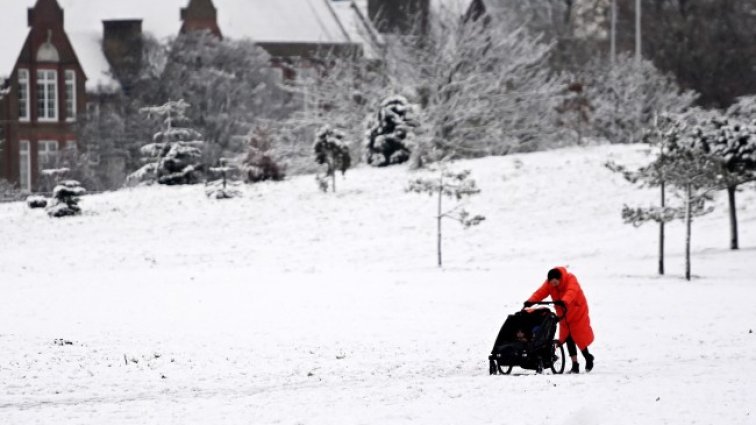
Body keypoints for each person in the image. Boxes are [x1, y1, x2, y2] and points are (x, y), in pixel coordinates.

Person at [524, 266, 595, 373]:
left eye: (555, 283)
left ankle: (588, 357)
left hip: (577, 312)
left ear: (560, 279)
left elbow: (572, 291)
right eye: (551, 283)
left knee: (578, 337)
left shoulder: (571, 279)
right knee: (567, 338)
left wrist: (564, 301)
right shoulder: (549, 283)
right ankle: (575, 364)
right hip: (564, 313)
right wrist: (530, 301)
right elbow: (541, 292)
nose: (553, 285)